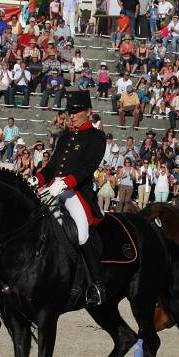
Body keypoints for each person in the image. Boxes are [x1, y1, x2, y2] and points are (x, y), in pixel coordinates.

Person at [32, 90, 107, 307]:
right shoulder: (65, 136)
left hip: (75, 191)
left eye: (76, 112)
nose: (72, 115)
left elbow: (88, 167)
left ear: (88, 112)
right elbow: (52, 167)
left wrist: (64, 184)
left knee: (82, 233)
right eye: (70, 112)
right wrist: (36, 180)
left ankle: (97, 285)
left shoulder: (96, 137)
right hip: (52, 187)